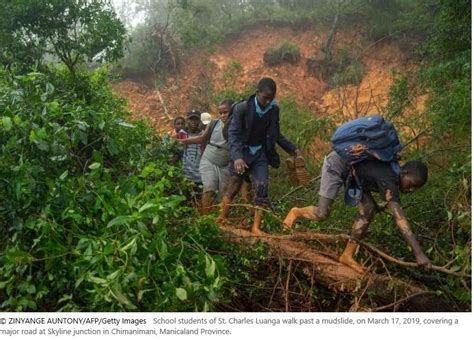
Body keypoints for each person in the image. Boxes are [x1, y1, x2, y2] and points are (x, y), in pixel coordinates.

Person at [283, 150, 431, 272]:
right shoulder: (390, 177)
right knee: (322, 213)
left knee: (369, 208)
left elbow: (372, 176)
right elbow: (400, 220)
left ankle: (347, 255)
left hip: (354, 175)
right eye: (411, 184)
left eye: (415, 189)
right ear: (404, 171)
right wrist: (419, 254)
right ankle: (296, 212)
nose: (411, 189)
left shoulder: (393, 175)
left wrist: (377, 205)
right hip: (337, 164)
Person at [217, 77, 300, 235]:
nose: (268, 102)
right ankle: (221, 217)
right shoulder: (243, 108)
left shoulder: (273, 110)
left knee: (262, 186)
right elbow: (233, 134)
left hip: (260, 153)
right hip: (243, 151)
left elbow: (276, 134)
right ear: (257, 93)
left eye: (271, 98)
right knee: (234, 185)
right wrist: (238, 157)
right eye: (265, 98)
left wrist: (292, 149)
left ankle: (256, 227)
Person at [181, 100, 234, 213]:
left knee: (223, 193)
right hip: (209, 160)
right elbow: (202, 138)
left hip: (225, 164)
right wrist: (184, 141)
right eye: (221, 112)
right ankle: (204, 219)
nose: (223, 115)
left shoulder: (238, 126)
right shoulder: (214, 124)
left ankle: (218, 219)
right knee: (209, 188)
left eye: (226, 112)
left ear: (233, 111)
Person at [182, 110, 203, 202]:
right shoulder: (182, 134)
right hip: (185, 176)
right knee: (185, 202)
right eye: (191, 119)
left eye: (196, 119)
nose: (194, 122)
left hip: (199, 176)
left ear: (199, 121)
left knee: (198, 201)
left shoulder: (203, 134)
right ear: (187, 120)